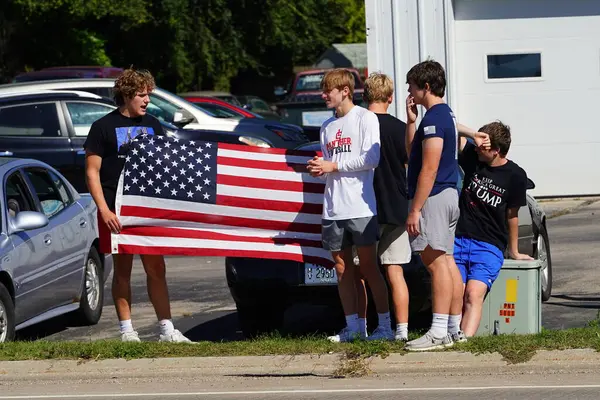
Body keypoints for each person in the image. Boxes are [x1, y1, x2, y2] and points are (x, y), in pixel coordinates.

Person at [84, 68, 193, 343]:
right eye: (142, 95)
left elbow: (164, 165)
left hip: (146, 210)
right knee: (122, 271)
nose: (147, 100)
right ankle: (127, 331)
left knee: (157, 269)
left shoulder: (154, 124)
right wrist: (104, 210)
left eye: (148, 95)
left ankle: (167, 329)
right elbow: (91, 172)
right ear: (127, 95)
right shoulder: (102, 127)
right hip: (116, 211)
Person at [403, 60, 488, 351]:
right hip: (447, 193)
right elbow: (412, 150)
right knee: (446, 260)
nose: (409, 91)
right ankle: (452, 328)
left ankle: (438, 330)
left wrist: (415, 208)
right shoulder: (444, 115)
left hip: (435, 195)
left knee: (435, 262)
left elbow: (429, 167)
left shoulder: (436, 120)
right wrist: (412, 121)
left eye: (412, 85)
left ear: (426, 87)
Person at [307, 68, 394, 342]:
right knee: (342, 268)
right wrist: (320, 169)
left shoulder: (365, 118)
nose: (323, 95)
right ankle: (354, 327)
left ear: (345, 90)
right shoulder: (326, 127)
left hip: (361, 207)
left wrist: (333, 165)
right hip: (333, 207)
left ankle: (385, 326)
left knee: (368, 268)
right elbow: (330, 164)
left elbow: (372, 159)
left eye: (327, 91)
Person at [454, 121, 532, 337]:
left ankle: (464, 342)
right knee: (455, 293)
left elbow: (512, 216)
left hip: (489, 246)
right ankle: (449, 339)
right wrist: (474, 134)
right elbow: (453, 123)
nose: (478, 147)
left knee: (473, 294)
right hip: (459, 239)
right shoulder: (472, 157)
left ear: (497, 150)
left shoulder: (515, 175)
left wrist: (514, 251)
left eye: (484, 146)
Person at [363, 72, 412, 342]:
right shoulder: (400, 128)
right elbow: (408, 165)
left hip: (364, 208)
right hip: (396, 205)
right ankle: (402, 330)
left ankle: (372, 326)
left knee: (363, 271)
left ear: (364, 96)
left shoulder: (358, 126)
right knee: (395, 271)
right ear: (390, 98)